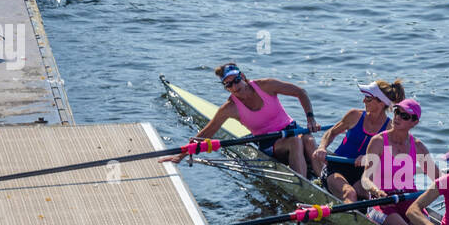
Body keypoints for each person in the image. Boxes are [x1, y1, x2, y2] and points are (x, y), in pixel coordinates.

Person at [164, 64, 320, 175]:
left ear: (243, 77)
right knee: (296, 141)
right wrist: (181, 155)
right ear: (226, 87)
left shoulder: (266, 85)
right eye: (229, 84)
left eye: (236, 80)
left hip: (290, 129)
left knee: (308, 139)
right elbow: (206, 133)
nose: (234, 86)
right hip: (269, 142)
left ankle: (323, 178)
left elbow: (300, 92)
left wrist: (310, 118)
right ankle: (303, 185)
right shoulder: (230, 108)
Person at [359, 98, 438, 225]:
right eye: (397, 112)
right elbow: (365, 179)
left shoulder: (418, 146)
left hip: (409, 199)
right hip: (382, 201)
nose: (398, 117)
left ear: (414, 122)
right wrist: (376, 191)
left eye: (405, 116)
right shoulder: (379, 141)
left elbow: (438, 179)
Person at [311, 80, 405, 202]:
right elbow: (331, 132)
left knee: (375, 196)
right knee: (350, 193)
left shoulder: (389, 128)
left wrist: (369, 158)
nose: (363, 101)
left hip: (363, 174)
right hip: (337, 167)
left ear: (381, 103)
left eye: (368, 98)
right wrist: (322, 147)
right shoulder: (354, 116)